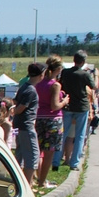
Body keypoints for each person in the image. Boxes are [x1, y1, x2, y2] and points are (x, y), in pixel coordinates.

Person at [59, 50, 96, 171]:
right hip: (81, 106)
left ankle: (56, 159)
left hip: (68, 105)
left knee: (63, 134)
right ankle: (74, 163)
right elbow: (93, 86)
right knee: (80, 135)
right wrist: (96, 76)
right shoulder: (84, 75)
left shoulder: (65, 72)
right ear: (83, 61)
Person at [34, 57, 67, 189]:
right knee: (49, 152)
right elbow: (54, 105)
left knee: (39, 150)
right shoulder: (55, 85)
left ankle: (38, 176)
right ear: (58, 69)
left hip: (39, 118)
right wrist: (64, 101)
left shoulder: (39, 83)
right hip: (53, 120)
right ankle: (42, 181)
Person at [12, 62, 44, 187]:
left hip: (20, 125)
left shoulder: (24, 86)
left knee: (20, 154)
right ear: (40, 75)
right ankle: (28, 184)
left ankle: (18, 183)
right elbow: (20, 108)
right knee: (32, 156)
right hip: (27, 126)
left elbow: (15, 100)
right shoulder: (31, 90)